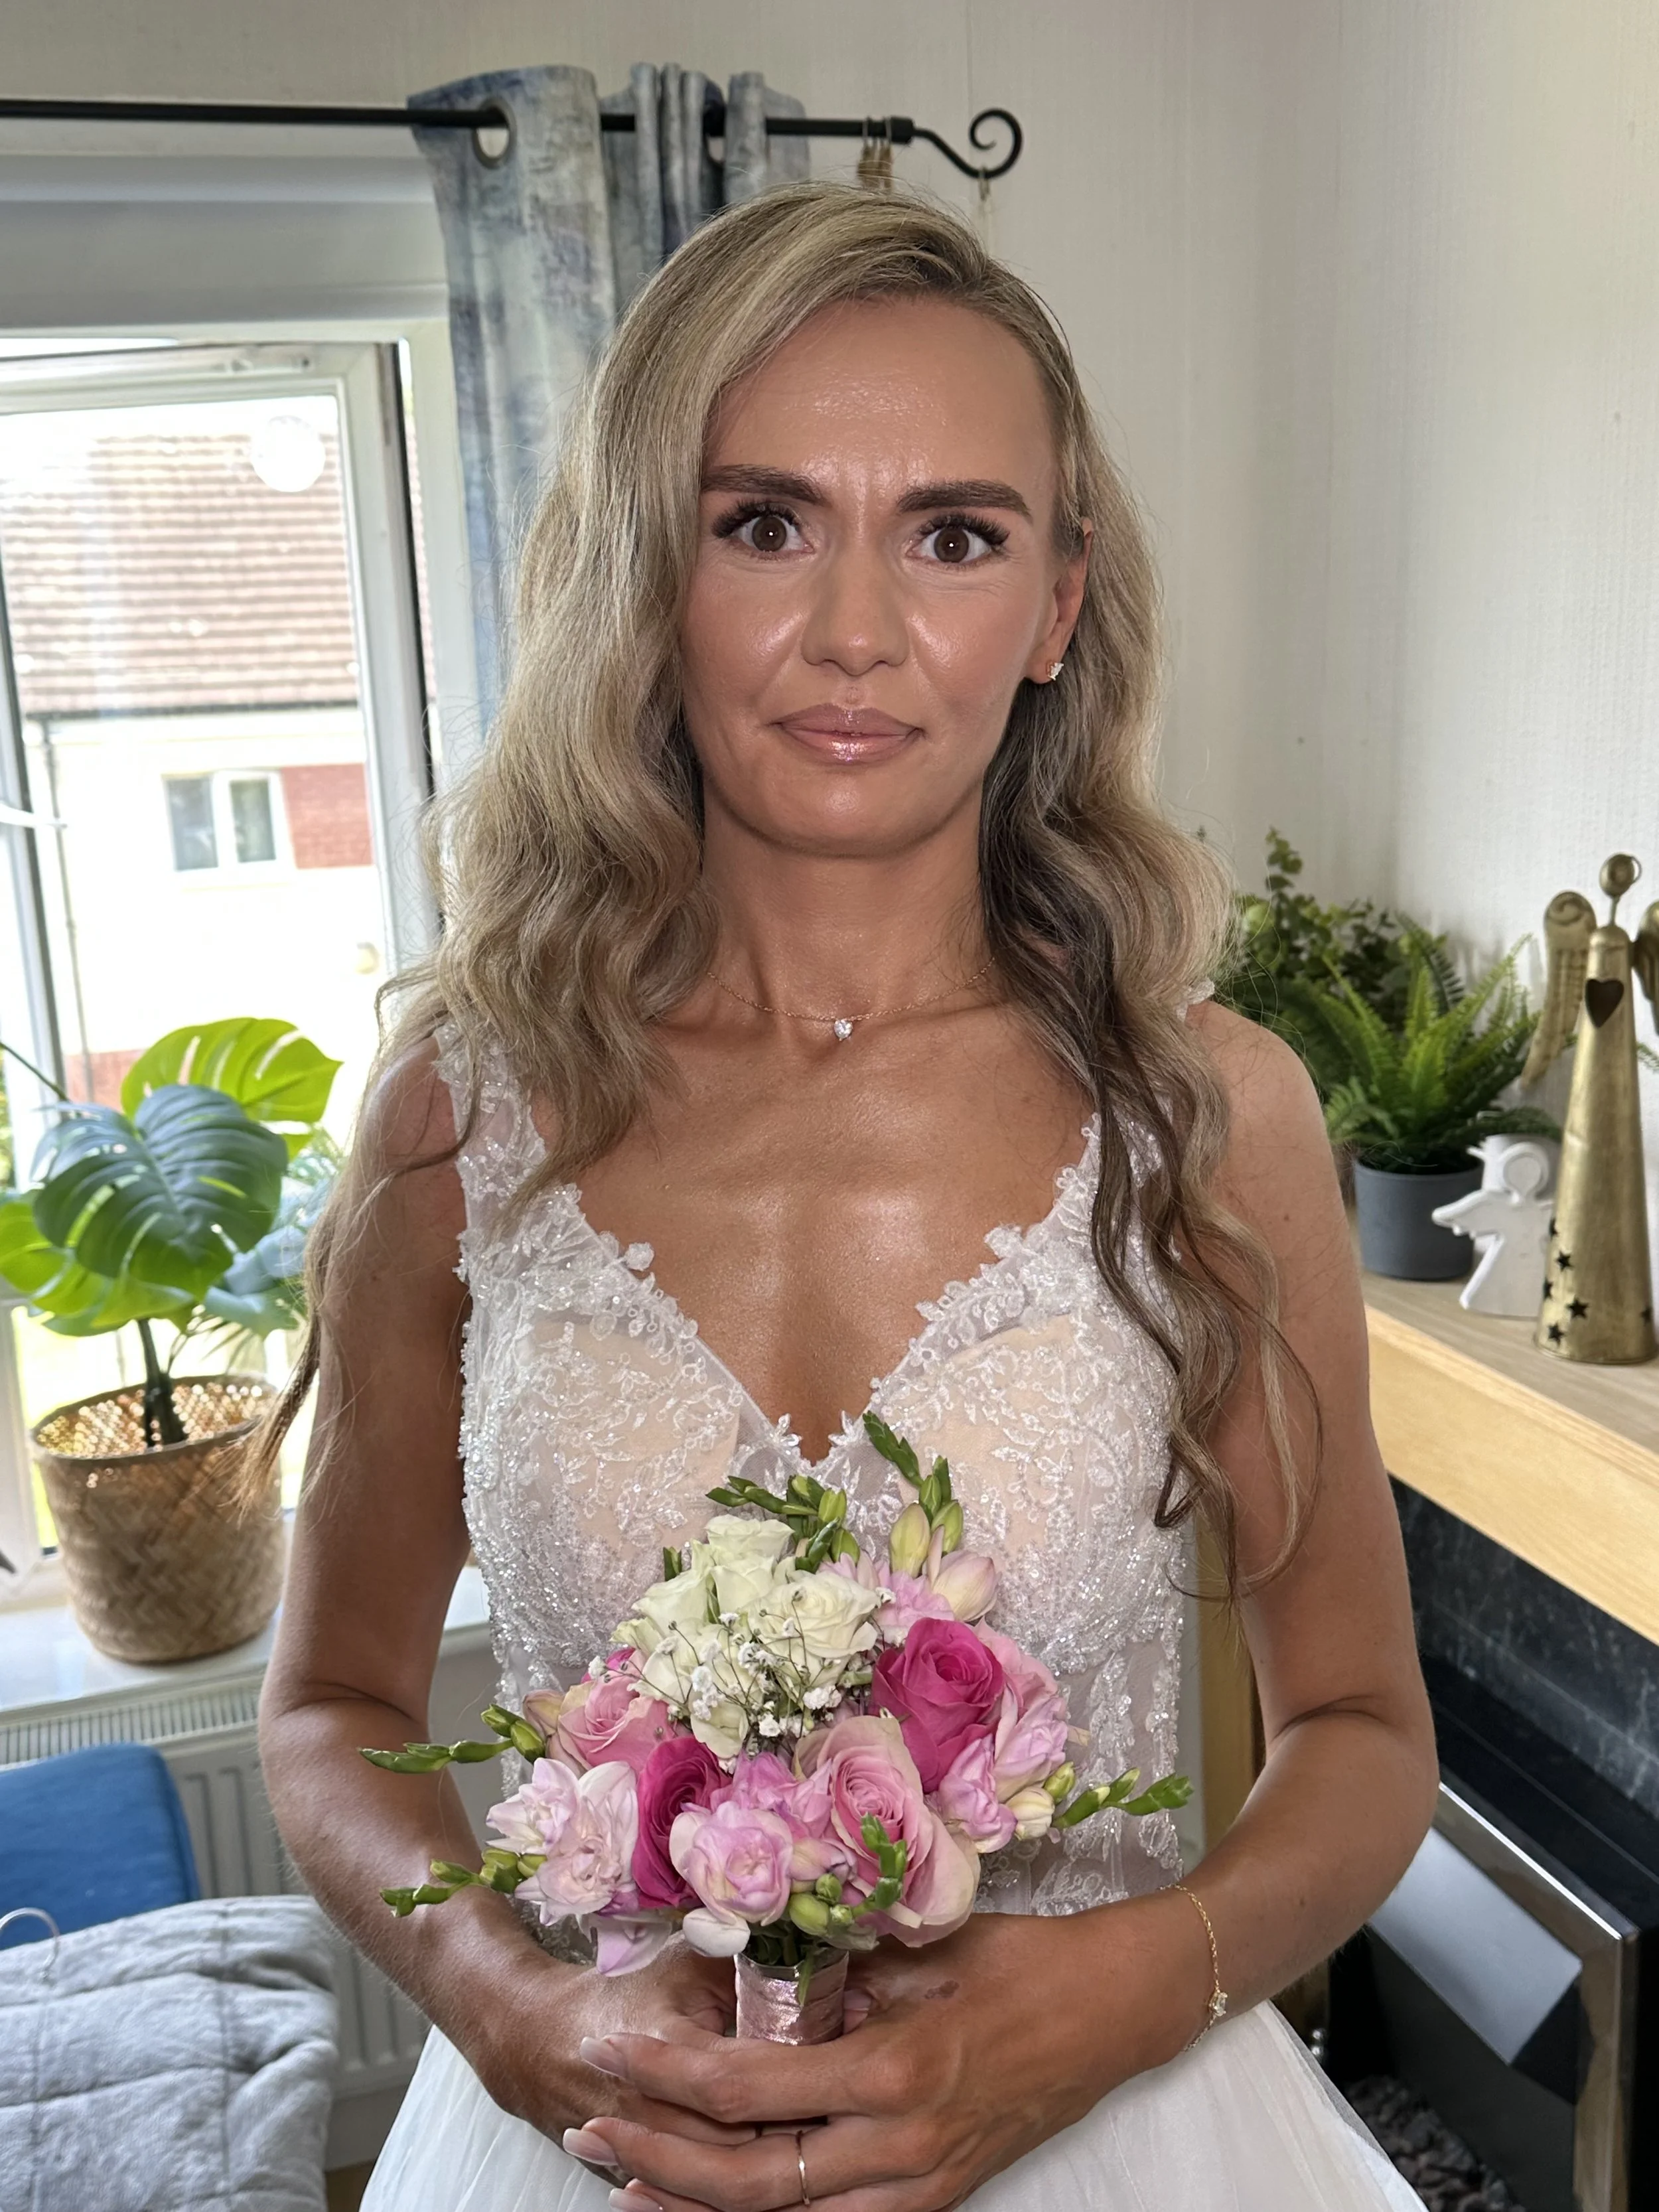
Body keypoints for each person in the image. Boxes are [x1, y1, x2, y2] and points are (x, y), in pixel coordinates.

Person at [259, 181, 1435, 2211]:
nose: (857, 633)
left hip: (1131, 2139)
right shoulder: (466, 1119)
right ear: (650, 570)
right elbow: (329, 1706)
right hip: (595, 2141)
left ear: (1057, 603)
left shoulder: (1201, 1116)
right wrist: (495, 1989)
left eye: (955, 536)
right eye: (764, 523)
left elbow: (1356, 1726)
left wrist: (1117, 1991)